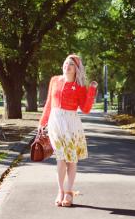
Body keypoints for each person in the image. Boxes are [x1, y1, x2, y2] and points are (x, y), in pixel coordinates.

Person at [38, 54, 98, 207]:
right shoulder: (54, 81)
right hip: (55, 122)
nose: (67, 66)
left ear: (76, 69)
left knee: (71, 159)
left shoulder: (80, 87)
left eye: (71, 64)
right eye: (65, 63)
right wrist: (42, 122)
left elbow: (85, 109)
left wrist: (91, 90)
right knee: (60, 157)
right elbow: (49, 103)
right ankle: (60, 191)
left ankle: (69, 192)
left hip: (71, 124)